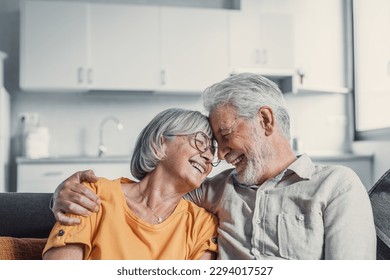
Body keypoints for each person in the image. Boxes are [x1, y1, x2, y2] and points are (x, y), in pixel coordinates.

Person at [51, 73, 377, 260]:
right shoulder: (211, 191)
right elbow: (150, 194)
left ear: (265, 120)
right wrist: (62, 193)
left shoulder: (336, 185)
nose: (217, 155)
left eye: (223, 136)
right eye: (207, 144)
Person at [43, 108, 219, 260]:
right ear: (160, 143)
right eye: (200, 142)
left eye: (212, 151)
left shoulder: (202, 225)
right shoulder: (94, 195)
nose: (208, 157)